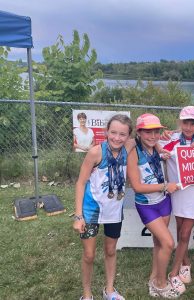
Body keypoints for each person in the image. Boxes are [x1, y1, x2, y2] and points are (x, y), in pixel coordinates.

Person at [73, 114, 133, 300]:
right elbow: (81, 183)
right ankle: (87, 293)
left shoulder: (129, 147)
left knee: (110, 250)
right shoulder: (95, 152)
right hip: (91, 210)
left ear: (128, 136)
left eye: (122, 134)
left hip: (114, 210)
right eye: (113, 132)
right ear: (106, 131)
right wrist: (78, 216)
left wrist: (163, 139)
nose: (117, 138)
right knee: (89, 255)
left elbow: (150, 138)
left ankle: (109, 290)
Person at [127, 113, 181, 299]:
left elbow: (163, 145)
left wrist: (160, 147)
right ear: (139, 132)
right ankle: (160, 283)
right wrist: (165, 186)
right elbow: (137, 187)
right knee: (168, 243)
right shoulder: (133, 152)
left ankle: (153, 277)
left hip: (164, 201)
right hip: (147, 205)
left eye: (156, 131)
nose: (152, 136)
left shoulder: (156, 146)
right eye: (147, 132)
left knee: (159, 242)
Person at [160, 106, 194, 295]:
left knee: (186, 233)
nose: (188, 127)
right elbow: (160, 150)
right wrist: (162, 142)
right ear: (180, 122)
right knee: (181, 230)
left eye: (193, 123)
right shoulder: (171, 140)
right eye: (185, 122)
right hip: (177, 192)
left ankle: (173, 273)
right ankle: (186, 263)